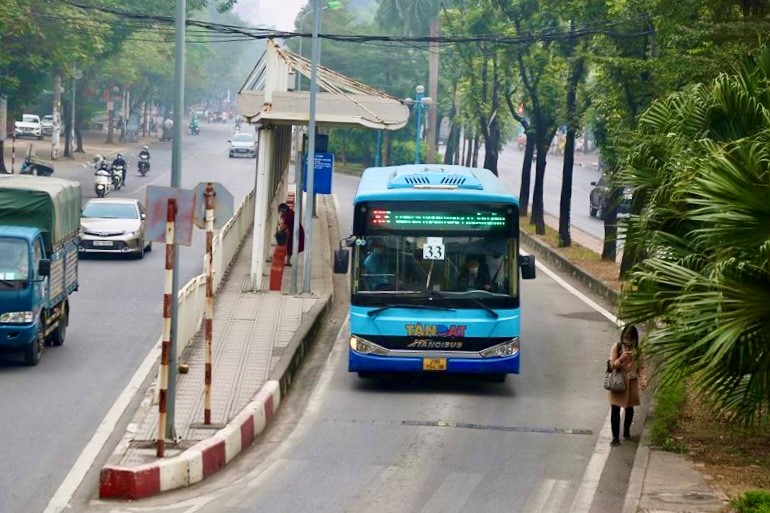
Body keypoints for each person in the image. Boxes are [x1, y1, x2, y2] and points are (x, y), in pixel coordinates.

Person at [608, 325, 648, 447]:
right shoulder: (618, 347)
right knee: (615, 409)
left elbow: (642, 367)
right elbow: (611, 365)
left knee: (629, 408)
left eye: (630, 337)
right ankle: (615, 437)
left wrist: (643, 381)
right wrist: (620, 359)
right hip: (618, 380)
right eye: (626, 336)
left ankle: (626, 431)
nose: (628, 339)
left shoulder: (638, 351)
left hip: (631, 382)